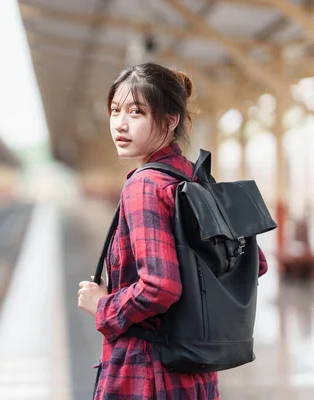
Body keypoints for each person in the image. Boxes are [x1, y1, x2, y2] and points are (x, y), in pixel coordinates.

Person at [77, 62, 269, 400]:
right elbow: (256, 262)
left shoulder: (145, 185)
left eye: (136, 112)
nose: (120, 123)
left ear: (170, 120)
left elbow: (159, 286)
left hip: (147, 373)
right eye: (115, 110)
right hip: (194, 373)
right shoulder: (193, 180)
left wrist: (103, 305)